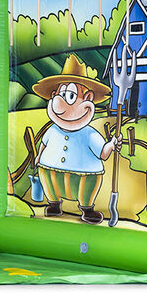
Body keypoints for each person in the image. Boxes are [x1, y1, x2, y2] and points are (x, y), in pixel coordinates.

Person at [32, 54, 123, 224]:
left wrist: (111, 144)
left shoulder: (90, 134)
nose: (60, 103)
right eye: (60, 95)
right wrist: (39, 156)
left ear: (88, 99)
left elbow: (103, 154)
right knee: (50, 183)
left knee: (86, 188)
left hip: (85, 173)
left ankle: (87, 210)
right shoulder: (52, 130)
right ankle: (54, 205)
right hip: (49, 168)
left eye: (71, 96)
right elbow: (44, 143)